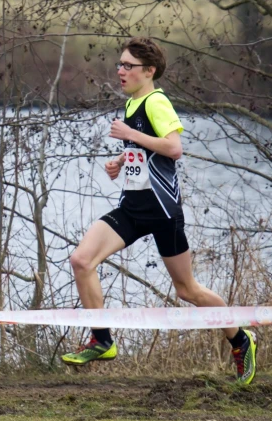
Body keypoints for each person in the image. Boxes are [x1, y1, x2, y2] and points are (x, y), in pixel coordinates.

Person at [61, 37, 257, 384]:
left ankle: (240, 339)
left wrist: (129, 138)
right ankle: (102, 339)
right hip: (133, 208)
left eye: (128, 66)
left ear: (148, 71)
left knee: (188, 291)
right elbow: (145, 149)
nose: (120, 71)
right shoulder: (133, 105)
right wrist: (120, 161)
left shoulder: (156, 101)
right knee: (81, 260)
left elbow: (173, 147)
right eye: (119, 65)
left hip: (163, 210)